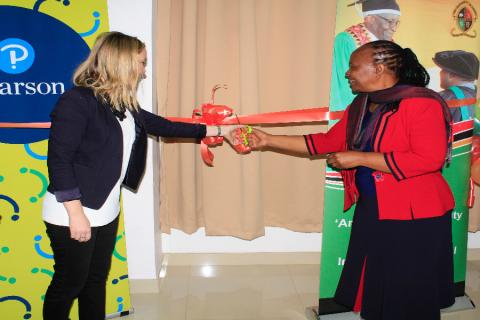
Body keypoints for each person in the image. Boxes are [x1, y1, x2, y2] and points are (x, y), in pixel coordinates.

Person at [248, 40, 455, 319]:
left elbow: (429, 159)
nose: (348, 73)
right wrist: (267, 139)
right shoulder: (362, 104)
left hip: (414, 213)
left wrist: (358, 158)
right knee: (383, 285)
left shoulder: (421, 104)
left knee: (407, 292)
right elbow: (325, 142)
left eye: (354, 67)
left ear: (379, 68)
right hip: (376, 206)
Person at [41, 31, 239, 320]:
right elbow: (59, 161)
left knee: (95, 281)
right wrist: (76, 214)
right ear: (121, 62)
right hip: (72, 211)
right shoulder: (77, 101)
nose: (144, 72)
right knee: (69, 283)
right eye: (142, 63)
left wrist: (220, 131)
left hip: (105, 209)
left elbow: (165, 126)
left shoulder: (121, 103)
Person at [330, 0, 401, 111]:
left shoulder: (392, 46)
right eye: (389, 21)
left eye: (396, 22)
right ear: (370, 19)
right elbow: (344, 86)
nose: (394, 28)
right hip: (356, 110)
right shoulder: (347, 41)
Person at [433, 50, 479, 123]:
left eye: (442, 70)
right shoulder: (477, 95)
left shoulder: (441, 98)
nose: (440, 73)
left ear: (451, 75)